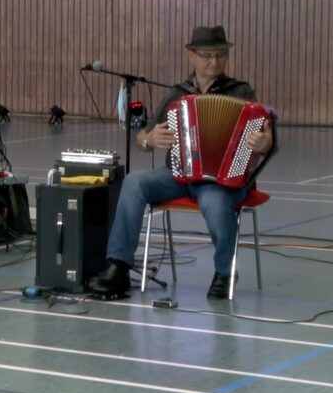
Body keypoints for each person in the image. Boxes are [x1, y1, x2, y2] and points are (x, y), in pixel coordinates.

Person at [88, 25, 273, 299]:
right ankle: (119, 266)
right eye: (207, 56)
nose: (214, 62)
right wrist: (150, 139)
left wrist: (264, 143)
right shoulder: (178, 93)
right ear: (192, 57)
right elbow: (142, 137)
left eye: (220, 56)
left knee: (215, 202)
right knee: (134, 182)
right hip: (177, 174)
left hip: (223, 180)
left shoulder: (241, 92)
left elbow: (266, 140)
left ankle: (224, 271)